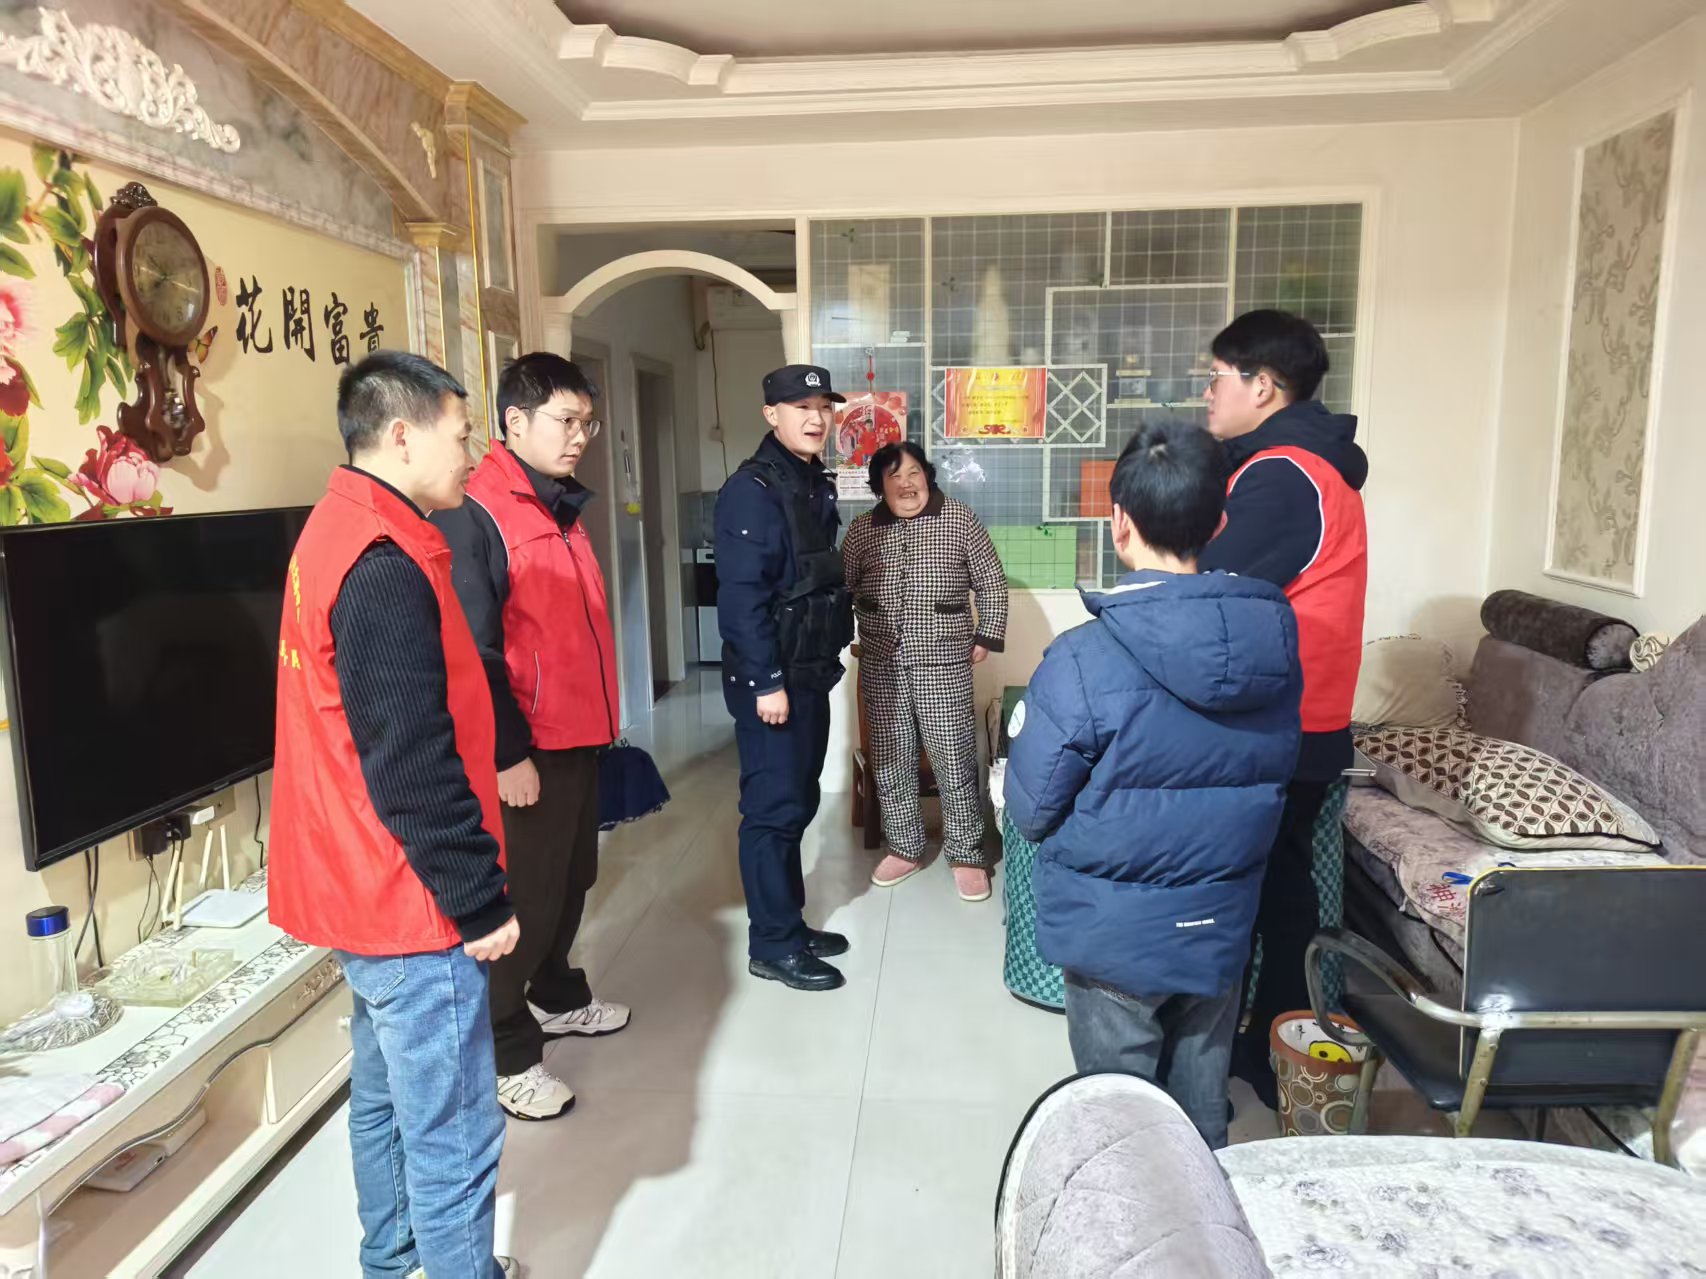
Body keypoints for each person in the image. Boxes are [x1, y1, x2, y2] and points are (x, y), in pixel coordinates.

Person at [269, 351, 521, 1278]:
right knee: (453, 1128)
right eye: (462, 433)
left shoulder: (336, 525)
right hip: (408, 897)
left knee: (382, 1094)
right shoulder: (379, 562)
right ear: (403, 434)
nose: (474, 451)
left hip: (356, 883)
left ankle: (394, 1257)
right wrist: (479, 900)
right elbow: (409, 760)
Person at [1003, 420, 1302, 1150]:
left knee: (1121, 1122)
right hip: (1219, 923)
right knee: (1201, 1108)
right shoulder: (1273, 644)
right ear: (1218, 523)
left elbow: (1030, 809)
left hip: (1114, 937)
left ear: (1119, 523)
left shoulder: (1083, 657)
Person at [432, 353, 628, 1122]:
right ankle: (508, 1052)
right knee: (527, 897)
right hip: (529, 747)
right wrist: (507, 752)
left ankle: (556, 992)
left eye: (587, 423)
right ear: (514, 422)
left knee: (574, 876)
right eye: (565, 420)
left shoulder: (558, 507)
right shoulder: (479, 510)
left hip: (578, 734)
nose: (579, 436)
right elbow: (475, 651)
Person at [1196, 309, 1369, 1109]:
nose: (1208, 392)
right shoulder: (1305, 465)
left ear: (1262, 385)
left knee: (1245, 888)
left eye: (1217, 377)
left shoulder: (1284, 475)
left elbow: (1208, 595)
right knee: (1280, 883)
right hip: (1304, 718)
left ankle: (1241, 1047)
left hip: (1276, 722)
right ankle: (1270, 1039)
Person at [715, 364, 856, 992]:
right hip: (775, 681)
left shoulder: (808, 479)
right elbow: (741, 598)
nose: (816, 417)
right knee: (771, 812)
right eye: (801, 406)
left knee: (797, 802)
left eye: (823, 405)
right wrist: (765, 681)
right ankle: (772, 944)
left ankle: (789, 924)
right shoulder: (752, 489)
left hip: (809, 671)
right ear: (771, 414)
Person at [840, 441, 1008, 901]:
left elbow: (991, 582)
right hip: (882, 663)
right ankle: (905, 847)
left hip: (944, 662)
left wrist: (987, 635)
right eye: (893, 476)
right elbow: (843, 587)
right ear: (879, 486)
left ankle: (966, 853)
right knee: (890, 758)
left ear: (927, 476)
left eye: (913, 472)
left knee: (953, 756)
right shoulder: (862, 529)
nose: (906, 483)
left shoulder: (959, 518)